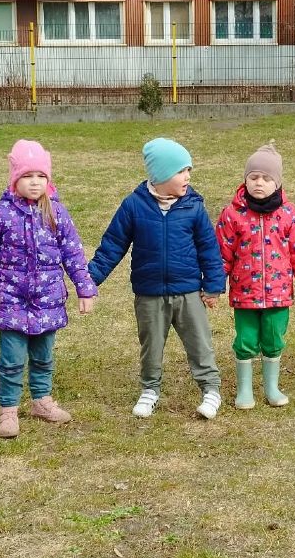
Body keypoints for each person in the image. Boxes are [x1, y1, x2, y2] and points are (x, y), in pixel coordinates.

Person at [87, 138, 224, 420]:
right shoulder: (133, 206)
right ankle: (150, 389)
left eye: (189, 170)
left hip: (188, 292)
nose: (187, 176)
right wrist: (89, 279)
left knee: (199, 343)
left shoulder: (194, 206)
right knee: (151, 346)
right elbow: (113, 245)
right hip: (149, 293)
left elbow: (209, 248)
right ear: (161, 174)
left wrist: (213, 286)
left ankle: (211, 389)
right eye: (181, 171)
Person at [0, 140, 97, 439]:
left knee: (44, 356)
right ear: (14, 178)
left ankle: (41, 400)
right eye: (27, 175)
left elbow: (73, 253)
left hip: (47, 300)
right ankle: (8, 409)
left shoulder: (56, 212)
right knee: (12, 359)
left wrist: (84, 288)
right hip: (11, 300)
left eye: (41, 176)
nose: (35, 182)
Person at [215, 142, 295, 410]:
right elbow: (222, 253)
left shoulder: (288, 214)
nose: (259, 183)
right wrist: (213, 285)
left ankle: (271, 388)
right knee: (245, 340)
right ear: (245, 180)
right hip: (244, 294)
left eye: (266, 178)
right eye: (254, 177)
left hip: (279, 294)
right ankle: (244, 390)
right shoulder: (232, 214)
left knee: (274, 339)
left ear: (277, 183)